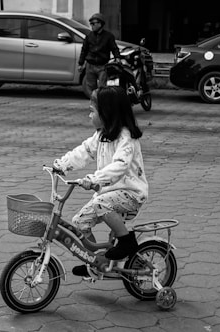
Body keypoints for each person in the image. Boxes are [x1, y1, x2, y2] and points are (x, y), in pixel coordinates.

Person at [53, 86, 148, 277]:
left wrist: (94, 179)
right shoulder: (102, 135)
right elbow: (84, 151)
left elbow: (119, 166)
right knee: (80, 222)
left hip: (131, 194)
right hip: (109, 196)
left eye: (92, 111)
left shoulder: (126, 138)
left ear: (107, 113)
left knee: (100, 203)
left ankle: (126, 241)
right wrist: (62, 165)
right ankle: (96, 262)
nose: (89, 115)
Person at [78, 13, 121, 98]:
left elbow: (114, 48)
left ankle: (102, 106)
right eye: (91, 24)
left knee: (102, 88)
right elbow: (84, 50)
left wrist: (117, 57)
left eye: (94, 23)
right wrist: (80, 63)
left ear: (100, 24)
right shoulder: (89, 36)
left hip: (102, 65)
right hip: (90, 65)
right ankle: (94, 106)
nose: (92, 26)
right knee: (91, 88)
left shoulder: (108, 36)